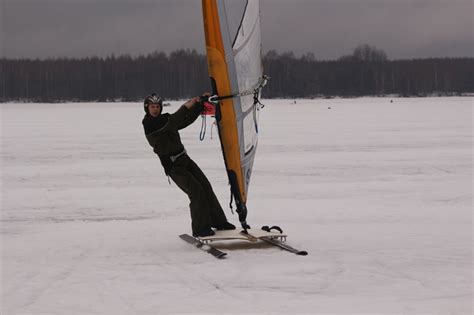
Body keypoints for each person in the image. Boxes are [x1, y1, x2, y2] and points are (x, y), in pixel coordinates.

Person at [142, 93, 235, 237]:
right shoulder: (149, 124)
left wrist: (199, 105)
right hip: (173, 167)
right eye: (152, 107)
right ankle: (200, 229)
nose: (155, 109)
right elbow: (175, 120)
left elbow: (184, 121)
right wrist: (187, 105)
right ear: (147, 108)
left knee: (205, 185)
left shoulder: (164, 119)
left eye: (157, 107)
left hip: (184, 159)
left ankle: (219, 222)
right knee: (196, 192)